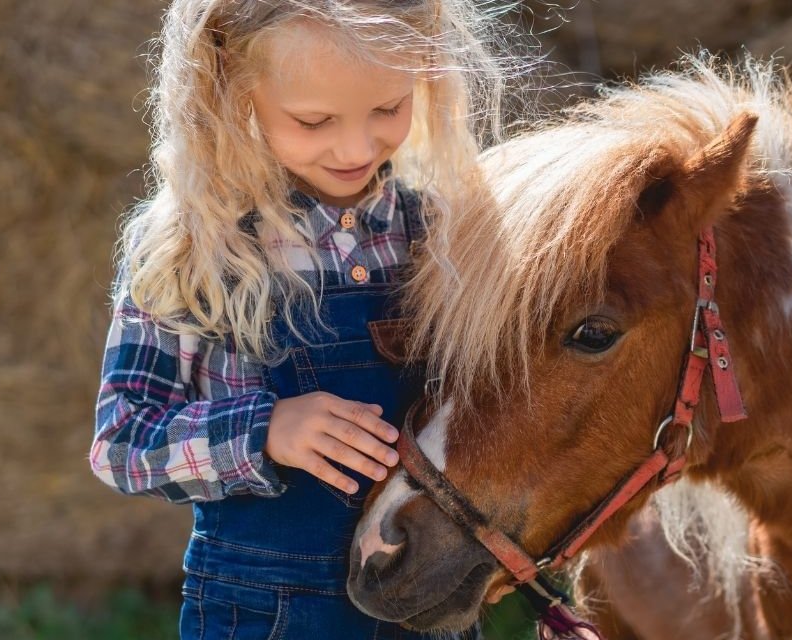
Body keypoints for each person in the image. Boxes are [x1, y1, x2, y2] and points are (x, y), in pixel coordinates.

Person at [89, 1, 519, 637]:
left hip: (423, 604)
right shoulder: (193, 248)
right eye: (314, 120)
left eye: (388, 108)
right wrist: (264, 430)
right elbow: (121, 442)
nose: (355, 145)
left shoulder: (437, 234)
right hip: (264, 613)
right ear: (231, 91)